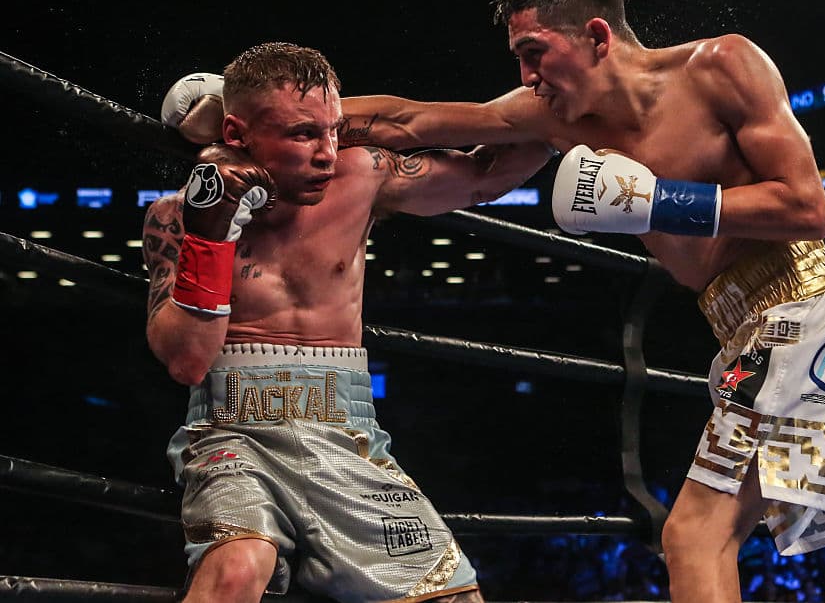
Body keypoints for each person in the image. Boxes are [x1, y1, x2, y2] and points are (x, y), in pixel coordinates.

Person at [332, 0, 825, 602]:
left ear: (596, 36)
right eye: (519, 60)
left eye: (535, 53)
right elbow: (411, 121)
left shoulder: (722, 67)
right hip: (760, 324)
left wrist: (659, 200)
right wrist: (289, 116)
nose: (527, 77)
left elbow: (808, 207)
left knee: (696, 538)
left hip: (802, 309)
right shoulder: (554, 118)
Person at [143, 41, 554, 603]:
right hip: (232, 429)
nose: (327, 154)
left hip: (345, 428)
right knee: (236, 568)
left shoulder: (361, 175)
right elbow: (188, 360)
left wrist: (569, 111)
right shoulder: (175, 217)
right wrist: (211, 235)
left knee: (457, 597)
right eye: (303, 135)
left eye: (334, 131)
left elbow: (487, 174)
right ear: (237, 134)